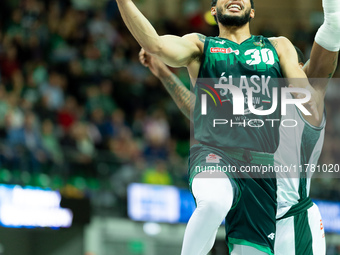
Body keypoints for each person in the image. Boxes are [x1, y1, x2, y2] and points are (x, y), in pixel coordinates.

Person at [115, 0, 323, 254]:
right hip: (215, 154)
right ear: (214, 10)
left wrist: (303, 90)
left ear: (252, 11)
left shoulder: (278, 45)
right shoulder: (201, 46)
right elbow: (155, 44)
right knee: (214, 201)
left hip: (261, 168)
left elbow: (302, 90)